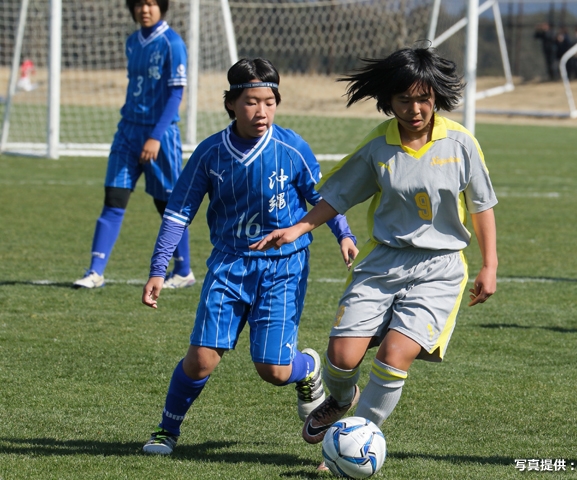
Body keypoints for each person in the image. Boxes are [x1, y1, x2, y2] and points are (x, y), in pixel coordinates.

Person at [250, 46, 498, 468]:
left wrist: (490, 265)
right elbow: (337, 195)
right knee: (341, 357)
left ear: (436, 95)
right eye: (404, 100)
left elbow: (482, 205)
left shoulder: (460, 142)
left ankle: (351, 443)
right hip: (382, 262)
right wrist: (296, 228)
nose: (416, 108)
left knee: (393, 355)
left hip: (438, 270)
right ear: (388, 101)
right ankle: (343, 400)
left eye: (424, 98)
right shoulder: (378, 145)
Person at [140, 57, 359, 455]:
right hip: (229, 264)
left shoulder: (292, 148)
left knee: (273, 371)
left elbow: (324, 199)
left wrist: (343, 234)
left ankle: (306, 368)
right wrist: (159, 268)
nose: (262, 111)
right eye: (251, 102)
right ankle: (166, 432)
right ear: (230, 103)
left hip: (284, 267)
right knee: (201, 360)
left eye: (269, 101)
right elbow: (178, 212)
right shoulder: (210, 153)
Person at [74, 0, 193, 289]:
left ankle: (183, 271)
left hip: (160, 136)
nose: (145, 9)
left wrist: (155, 136)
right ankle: (94, 271)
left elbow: (176, 95)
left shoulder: (172, 43)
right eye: (139, 3)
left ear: (162, 7)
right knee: (114, 199)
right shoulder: (132, 42)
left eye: (151, 3)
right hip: (127, 131)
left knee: (167, 205)